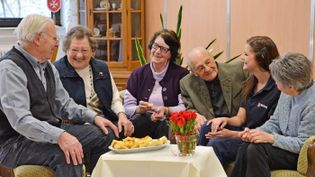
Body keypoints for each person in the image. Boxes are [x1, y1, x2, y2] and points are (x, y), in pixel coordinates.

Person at [0, 14, 118, 177]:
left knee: (105, 134)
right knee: (68, 154)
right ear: (38, 38)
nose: (57, 43)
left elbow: (64, 103)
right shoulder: (10, 69)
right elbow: (21, 121)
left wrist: (93, 117)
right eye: (54, 38)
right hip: (14, 142)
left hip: (48, 130)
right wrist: (60, 136)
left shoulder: (46, 65)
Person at [198, 36, 281, 167]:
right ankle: (196, 170)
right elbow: (240, 119)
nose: (243, 57)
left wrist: (233, 134)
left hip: (256, 140)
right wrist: (225, 119)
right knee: (207, 126)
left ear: (261, 57)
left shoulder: (278, 89)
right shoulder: (250, 82)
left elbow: (271, 130)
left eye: (246, 54)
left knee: (216, 144)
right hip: (244, 131)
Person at [230, 53, 315, 177]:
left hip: (302, 155)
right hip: (285, 146)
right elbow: (275, 121)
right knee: (247, 146)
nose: (275, 85)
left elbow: (303, 145)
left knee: (256, 150)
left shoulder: (312, 104)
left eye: (277, 82)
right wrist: (254, 133)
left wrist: (272, 138)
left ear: (291, 86)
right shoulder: (289, 91)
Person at [54, 25, 134, 137]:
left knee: (138, 124)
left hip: (105, 120)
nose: (79, 55)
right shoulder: (56, 71)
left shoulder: (101, 68)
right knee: (105, 134)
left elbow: (114, 99)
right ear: (66, 50)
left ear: (93, 51)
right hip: (75, 126)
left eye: (85, 50)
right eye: (74, 50)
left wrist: (122, 116)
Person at [124, 29, 189, 138]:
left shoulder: (181, 75)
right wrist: (138, 109)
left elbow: (185, 106)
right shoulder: (138, 74)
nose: (157, 51)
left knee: (165, 126)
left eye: (163, 49)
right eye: (155, 46)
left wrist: (167, 110)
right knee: (137, 122)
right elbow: (126, 107)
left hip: (169, 122)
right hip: (142, 121)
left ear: (171, 53)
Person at [180, 47, 249, 134]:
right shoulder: (186, 84)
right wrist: (195, 115)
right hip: (209, 127)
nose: (207, 69)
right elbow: (189, 107)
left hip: (237, 125)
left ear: (213, 58)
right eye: (200, 68)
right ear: (194, 73)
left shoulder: (239, 70)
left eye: (208, 62)